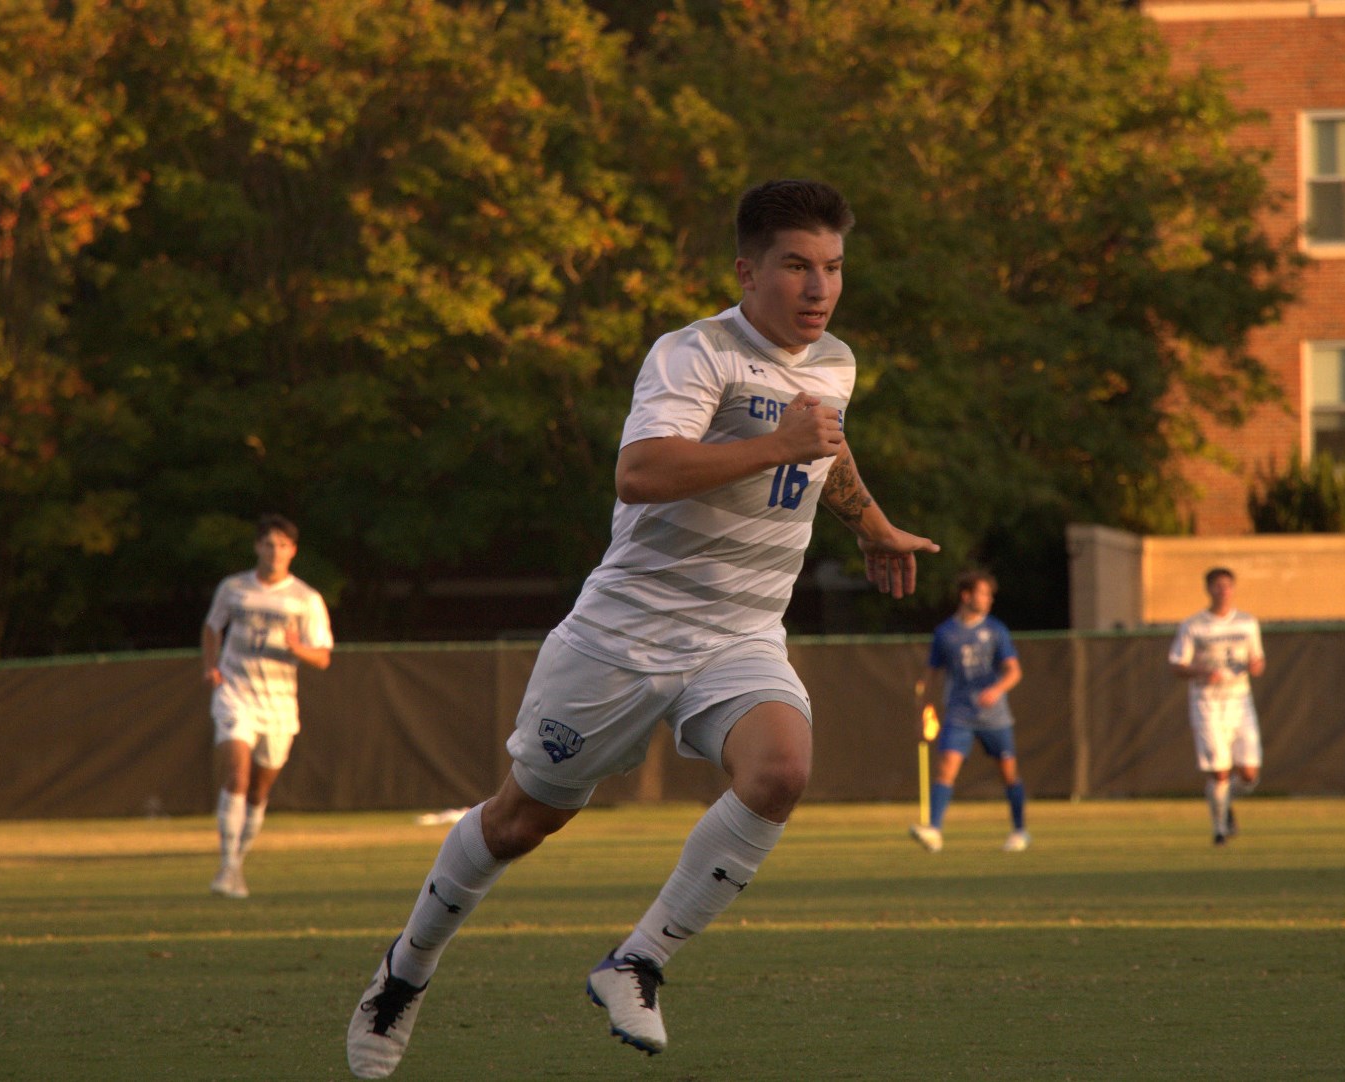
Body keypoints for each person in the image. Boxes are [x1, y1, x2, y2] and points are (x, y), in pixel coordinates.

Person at [345, 178, 939, 1078]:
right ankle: (405, 970)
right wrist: (774, 444)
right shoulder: (691, 354)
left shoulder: (834, 361)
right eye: (795, 267)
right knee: (518, 822)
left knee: (780, 769)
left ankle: (636, 962)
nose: (817, 288)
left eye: (832, 268)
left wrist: (871, 523)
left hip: (739, 634)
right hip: (624, 634)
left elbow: (825, 441)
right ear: (746, 271)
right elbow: (640, 472)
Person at [201, 513, 334, 898]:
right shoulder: (233, 588)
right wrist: (211, 666)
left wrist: (298, 649)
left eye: (283, 545)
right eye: (268, 543)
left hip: (278, 704)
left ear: (292, 551)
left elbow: (323, 657)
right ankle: (227, 867)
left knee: (259, 791)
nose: (275, 551)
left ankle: (237, 862)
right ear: (257, 547)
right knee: (236, 777)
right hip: (235, 693)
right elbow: (212, 626)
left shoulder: (306, 599)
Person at [909, 569, 1027, 854]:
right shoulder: (945, 633)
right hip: (959, 713)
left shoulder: (996, 630)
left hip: (994, 716)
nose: (988, 600)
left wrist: (996, 690)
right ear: (966, 596)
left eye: (989, 595)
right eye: (983, 593)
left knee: (1008, 773)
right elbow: (931, 674)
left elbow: (1014, 672)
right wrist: (924, 706)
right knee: (946, 769)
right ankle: (934, 831)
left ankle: (1019, 830)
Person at [1167, 566, 1265, 846]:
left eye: (1228, 586)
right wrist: (1199, 672)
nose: (1223, 591)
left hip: (1239, 701)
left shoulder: (1247, 623)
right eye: (1217, 586)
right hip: (1207, 703)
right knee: (1220, 771)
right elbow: (1176, 664)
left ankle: (1226, 801)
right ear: (1208, 589)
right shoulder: (1194, 625)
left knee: (1249, 774)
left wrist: (1257, 666)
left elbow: (1257, 660)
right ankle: (1220, 829)